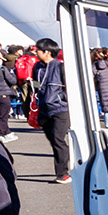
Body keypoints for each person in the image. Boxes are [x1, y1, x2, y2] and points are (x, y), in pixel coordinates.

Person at [32, 38, 72, 184]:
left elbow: (69, 86)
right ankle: (66, 162)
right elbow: (36, 84)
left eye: (38, 50)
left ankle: (63, 173)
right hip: (44, 108)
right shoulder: (37, 67)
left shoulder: (60, 67)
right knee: (53, 140)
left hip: (60, 108)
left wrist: (62, 98)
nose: (36, 52)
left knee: (58, 139)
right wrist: (36, 96)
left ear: (47, 52)